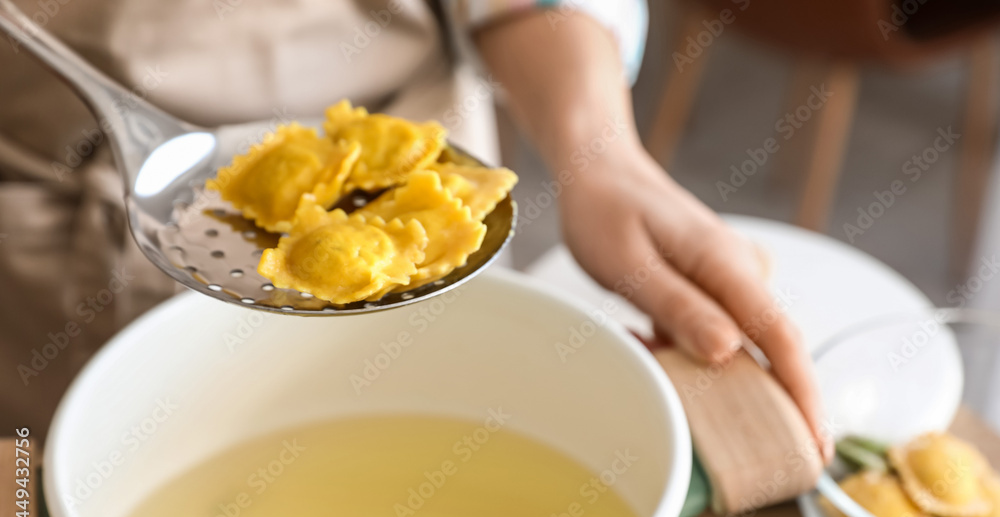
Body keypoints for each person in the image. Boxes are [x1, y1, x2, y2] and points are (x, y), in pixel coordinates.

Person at [0, 0, 829, 459]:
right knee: (76, 494)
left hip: (406, 180)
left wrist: (602, 155)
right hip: (41, 237)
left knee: (426, 461)